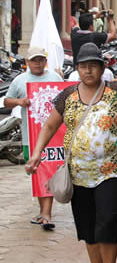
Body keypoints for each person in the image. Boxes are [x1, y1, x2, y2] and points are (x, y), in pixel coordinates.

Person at [25, 43, 117, 263]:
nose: (88, 70)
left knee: (108, 221)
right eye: (83, 66)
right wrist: (36, 153)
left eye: (93, 65)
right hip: (78, 174)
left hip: (112, 171)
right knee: (87, 225)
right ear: (77, 69)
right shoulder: (68, 96)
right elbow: (49, 126)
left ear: (102, 69)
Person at [5, 46, 63, 230]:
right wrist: (19, 102)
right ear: (27, 62)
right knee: (37, 173)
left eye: (40, 59)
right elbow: (7, 100)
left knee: (50, 171)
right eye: (34, 60)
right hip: (30, 136)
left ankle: (46, 213)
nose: (37, 63)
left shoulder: (55, 78)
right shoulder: (20, 81)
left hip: (54, 137)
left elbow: (66, 99)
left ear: (45, 61)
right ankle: (43, 210)